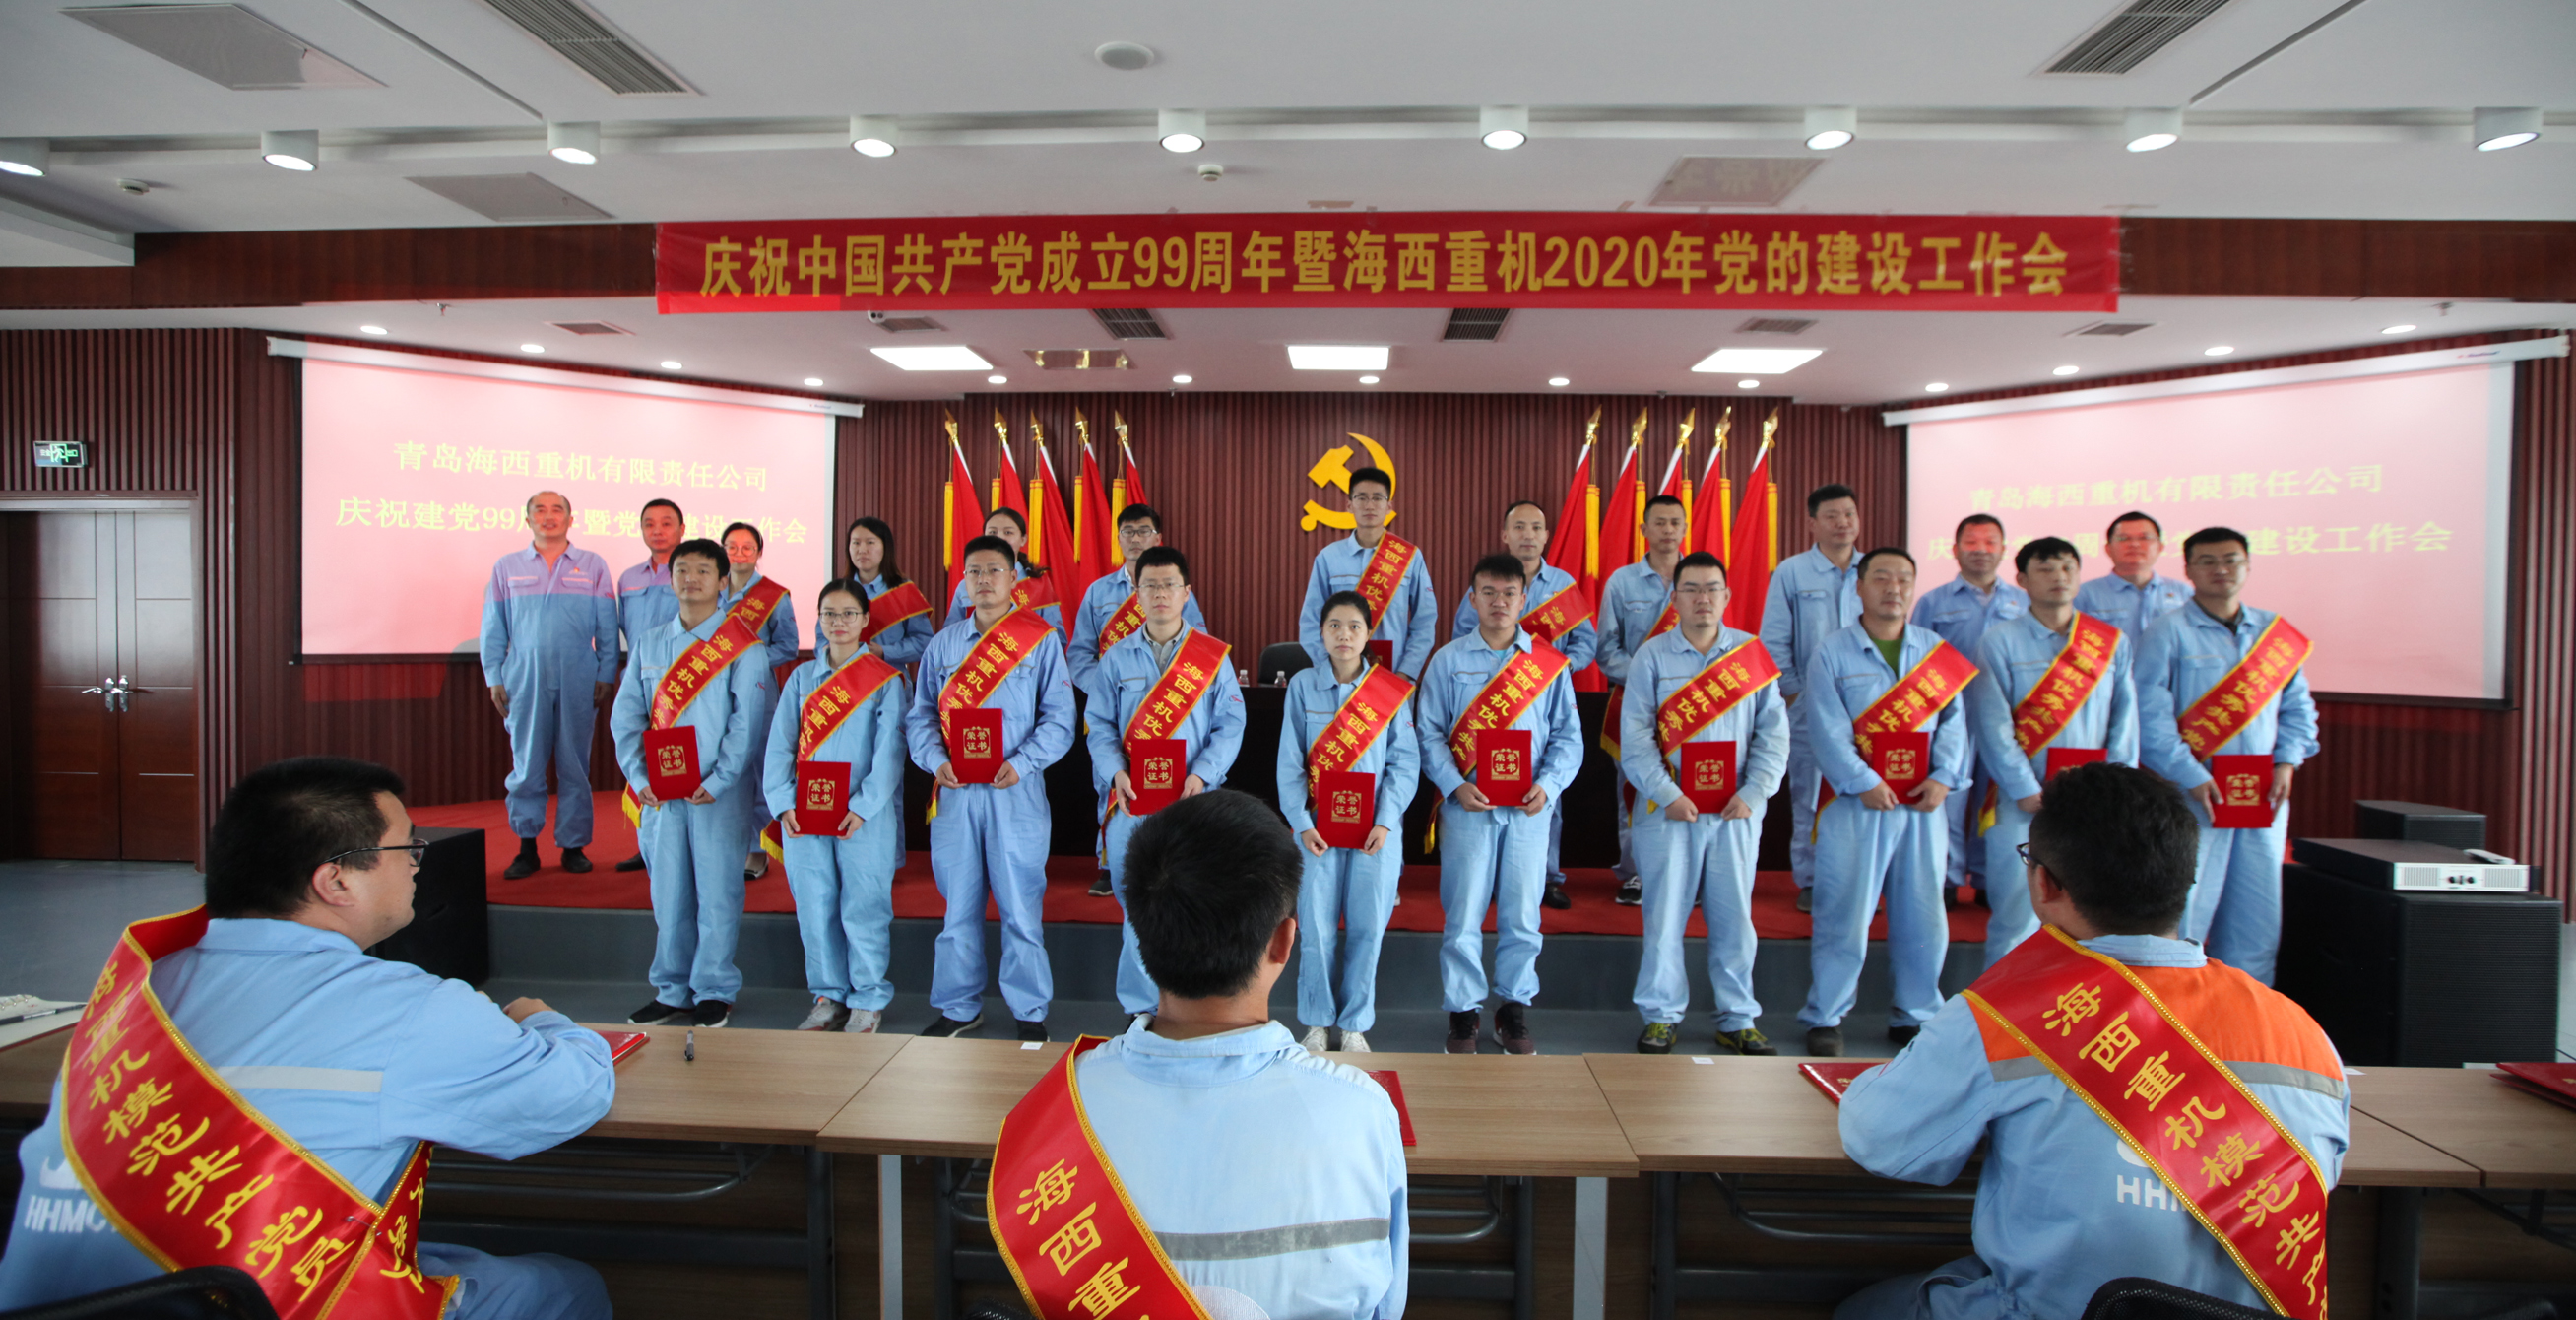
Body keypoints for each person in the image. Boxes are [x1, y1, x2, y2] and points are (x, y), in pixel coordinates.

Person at [0, 757, 615, 1317]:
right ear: (336, 881)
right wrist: (540, 1020)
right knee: (564, 1285)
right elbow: (570, 1095)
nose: (416, 864)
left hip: (66, 1307)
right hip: (254, 1303)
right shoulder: (409, 1009)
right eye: (408, 848)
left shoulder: (133, 994)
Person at [1837, 763, 2349, 1320]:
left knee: (1857, 1306)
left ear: (2046, 884)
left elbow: (1881, 1140)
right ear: (2186, 880)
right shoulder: (2302, 1031)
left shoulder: (2006, 1015)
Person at [1050, 790, 1407, 1319]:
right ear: (1284, 943)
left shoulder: (1061, 1109)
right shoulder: (1363, 1113)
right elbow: (1384, 1306)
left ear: (1141, 938)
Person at [1798, 548, 1974, 1057]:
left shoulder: (1935, 652)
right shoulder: (1832, 652)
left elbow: (1954, 724)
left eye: (1903, 579)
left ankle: (1916, 1013)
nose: (1893, 588)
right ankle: (1826, 1014)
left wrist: (1943, 778)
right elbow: (1826, 728)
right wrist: (1863, 780)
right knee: (1844, 912)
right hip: (1856, 804)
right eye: (1881, 578)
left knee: (1924, 915)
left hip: (1922, 805)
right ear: (1859, 586)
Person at [1619, 552, 1791, 1055]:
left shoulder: (1751, 655)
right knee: (1664, 917)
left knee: (1735, 918)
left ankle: (1738, 1017)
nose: (1702, 598)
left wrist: (1754, 792)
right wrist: (1667, 793)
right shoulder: (1652, 657)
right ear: (1674, 598)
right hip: (1668, 812)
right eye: (1691, 589)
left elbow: (1773, 736)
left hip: (1735, 811)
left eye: (1712, 588)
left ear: (1727, 596)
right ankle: (1660, 1014)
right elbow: (1636, 737)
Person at [906, 535, 1077, 1040]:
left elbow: (1060, 719)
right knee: (958, 907)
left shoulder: (1040, 640)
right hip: (956, 793)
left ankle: (1030, 1010)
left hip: (1015, 792)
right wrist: (936, 761)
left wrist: (1023, 764)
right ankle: (959, 1007)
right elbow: (920, 717)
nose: (983, 580)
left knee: (1020, 905)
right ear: (963, 580)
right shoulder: (943, 645)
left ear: (1013, 579)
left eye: (994, 571)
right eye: (974, 572)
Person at [2135, 527, 2318, 985]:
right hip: (2193, 794)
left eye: (2231, 560)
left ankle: (2245, 1007)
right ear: (2188, 569)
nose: (2221, 570)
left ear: (2248, 565)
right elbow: (2151, 718)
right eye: (2208, 561)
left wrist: (2287, 762)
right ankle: (2177, 1001)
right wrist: (2190, 775)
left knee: (2258, 915)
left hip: (2263, 796)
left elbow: (2298, 710)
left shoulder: (2275, 635)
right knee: (2186, 908)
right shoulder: (2166, 632)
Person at [1417, 554, 1582, 1054]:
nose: (1499, 602)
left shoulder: (1548, 665)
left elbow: (1568, 737)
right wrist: (1454, 785)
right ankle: (1463, 1010)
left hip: (1529, 812)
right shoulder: (1448, 660)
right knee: (1463, 913)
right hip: (1469, 808)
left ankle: (1513, 1008)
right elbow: (1428, 733)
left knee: (1522, 915)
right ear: (1472, 599)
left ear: (1524, 599)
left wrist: (1548, 786)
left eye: (1509, 593)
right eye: (1488, 592)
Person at [1082, 547, 1247, 1023]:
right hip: (1132, 801)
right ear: (1136, 594)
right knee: (1137, 909)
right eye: (1149, 585)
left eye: (1169, 585)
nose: (1159, 593)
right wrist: (1115, 772)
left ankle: (1189, 1005)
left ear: (1186, 593)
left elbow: (1230, 726)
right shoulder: (1116, 659)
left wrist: (1202, 774)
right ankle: (1141, 1010)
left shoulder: (1210, 657)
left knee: (1194, 903)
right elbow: (1099, 725)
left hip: (1193, 802)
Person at [612, 538, 768, 1028]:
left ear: (723, 581)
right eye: (682, 569)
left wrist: (721, 779)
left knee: (717, 892)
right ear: (670, 578)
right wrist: (639, 777)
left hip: (717, 794)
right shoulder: (650, 642)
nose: (691, 578)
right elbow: (627, 718)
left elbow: (748, 725)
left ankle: (714, 989)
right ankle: (672, 989)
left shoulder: (744, 647)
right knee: (669, 892)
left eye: (703, 570)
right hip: (661, 795)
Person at [1965, 537, 2139, 966]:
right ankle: (2004, 1006)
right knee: (2016, 919)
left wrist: (2114, 789)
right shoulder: (1999, 642)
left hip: (2094, 805)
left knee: (2091, 917)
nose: (2058, 577)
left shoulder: (2110, 642)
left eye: (2066, 568)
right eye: (2045, 569)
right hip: (2022, 804)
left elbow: (2124, 723)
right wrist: (2026, 790)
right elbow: (1993, 726)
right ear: (2022, 579)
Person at [1278, 591, 1419, 1054]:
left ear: (1368, 633)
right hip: (1317, 830)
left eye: (1354, 626)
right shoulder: (1302, 686)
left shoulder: (1389, 690)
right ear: (1321, 633)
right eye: (1335, 626)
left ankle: (1355, 1024)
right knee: (1316, 930)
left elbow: (1404, 763)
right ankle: (1317, 1023)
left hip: (1374, 834)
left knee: (1367, 928)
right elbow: (1290, 762)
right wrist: (1301, 822)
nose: (1344, 635)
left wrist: (1386, 820)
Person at [765, 578, 909, 1033]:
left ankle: (868, 997)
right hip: (804, 813)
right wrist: (782, 803)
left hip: (862, 815)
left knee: (864, 904)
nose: (838, 622)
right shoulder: (800, 678)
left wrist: (863, 806)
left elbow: (890, 752)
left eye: (848, 613)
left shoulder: (886, 680)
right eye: (829, 613)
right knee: (815, 904)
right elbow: (780, 745)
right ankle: (828, 995)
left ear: (865, 620)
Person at [1454, 499, 1599, 910]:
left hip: (1541, 701)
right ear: (1505, 534)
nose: (1528, 535)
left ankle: (1547, 877)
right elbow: (1462, 635)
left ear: (1546, 535)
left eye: (1536, 527)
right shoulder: (1485, 584)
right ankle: (1490, 877)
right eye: (1519, 527)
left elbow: (1586, 643)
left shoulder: (1563, 585)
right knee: (1486, 789)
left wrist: (1554, 672)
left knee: (1543, 793)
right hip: (1489, 703)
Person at [479, 490, 618, 880]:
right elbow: (493, 627)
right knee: (526, 764)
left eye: (557, 509)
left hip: (579, 673)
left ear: (570, 520)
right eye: (539, 510)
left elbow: (607, 626)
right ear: (528, 520)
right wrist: (494, 676)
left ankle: (574, 845)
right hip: (523, 675)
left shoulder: (592, 564)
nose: (549, 516)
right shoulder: (507, 566)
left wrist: (607, 672)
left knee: (574, 764)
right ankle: (527, 847)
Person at [1912, 514, 2029, 902]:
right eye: (1972, 542)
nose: (1981, 550)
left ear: (2003, 549)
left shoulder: (2023, 602)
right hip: (1951, 719)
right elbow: (1918, 661)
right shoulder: (1933, 602)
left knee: (1994, 799)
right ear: (1955, 549)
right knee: (1949, 799)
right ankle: (1946, 878)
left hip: (2006, 720)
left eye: (1990, 542)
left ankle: (1985, 878)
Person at [1762, 484, 1866, 913]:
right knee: (1808, 796)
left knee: (1861, 791)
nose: (1843, 523)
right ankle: (1811, 879)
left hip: (1867, 709)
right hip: (1809, 707)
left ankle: (1860, 880)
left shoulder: (1873, 571)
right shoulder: (1792, 572)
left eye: (1849, 514)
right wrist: (1795, 694)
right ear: (1812, 523)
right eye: (1832, 516)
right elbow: (1774, 640)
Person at [1597, 494, 1692, 905]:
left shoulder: (1699, 578)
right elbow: (1606, 650)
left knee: (1687, 785)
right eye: (1660, 522)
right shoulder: (1622, 582)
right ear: (1644, 529)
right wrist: (1648, 680)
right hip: (1635, 705)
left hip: (1690, 707)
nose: (1668, 530)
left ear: (1685, 529)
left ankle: (1686, 871)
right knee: (1634, 788)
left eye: (1675, 522)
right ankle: (1635, 872)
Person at [1298, 466, 1437, 679]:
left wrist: (1407, 672)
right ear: (1349, 505)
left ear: (1389, 506)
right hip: (1339, 676)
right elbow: (1310, 621)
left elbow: (1424, 621)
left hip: (1394, 675)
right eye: (1361, 498)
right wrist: (1329, 668)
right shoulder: (1329, 557)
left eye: (1377, 498)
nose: (1369, 505)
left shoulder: (1409, 557)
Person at [719, 521, 799, 882]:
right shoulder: (710, 589)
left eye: (747, 547)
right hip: (714, 693)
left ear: (759, 552)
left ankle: (757, 846)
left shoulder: (774, 596)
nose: (739, 554)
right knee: (723, 765)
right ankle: (727, 843)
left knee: (758, 768)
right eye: (732, 547)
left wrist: (749, 661)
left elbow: (788, 646)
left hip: (758, 692)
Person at [612, 497, 689, 872]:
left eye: (666, 523)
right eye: (649, 524)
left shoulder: (693, 574)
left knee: (680, 763)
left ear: (682, 529)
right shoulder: (629, 578)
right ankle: (648, 841)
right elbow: (621, 629)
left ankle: (679, 840)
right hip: (640, 681)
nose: (657, 530)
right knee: (640, 759)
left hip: (685, 685)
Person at [1067, 503, 1206, 691]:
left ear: (1157, 539)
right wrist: (1102, 689)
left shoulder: (1176, 590)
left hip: (1165, 697)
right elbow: (1080, 654)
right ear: (1118, 539)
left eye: (1144, 531)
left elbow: (1198, 645)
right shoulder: (1098, 592)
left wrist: (1171, 692)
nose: (1135, 538)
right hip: (1112, 692)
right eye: (1128, 532)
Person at [826, 516, 934, 668]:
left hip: (889, 677)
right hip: (844, 677)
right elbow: (822, 640)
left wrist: (886, 651)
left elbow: (924, 642)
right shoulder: (837, 592)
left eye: (870, 542)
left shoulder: (904, 591)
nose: (862, 550)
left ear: (885, 547)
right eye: (856, 543)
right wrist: (828, 651)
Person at [2073, 511, 2193, 639]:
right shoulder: (2083, 595)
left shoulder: (2183, 593)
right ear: (2108, 549)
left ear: (2160, 547)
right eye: (2123, 538)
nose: (2134, 544)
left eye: (2144, 538)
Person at [940, 508, 1064, 629]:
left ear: (1023, 539)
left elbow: (1055, 634)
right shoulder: (966, 586)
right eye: (992, 532)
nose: (999, 538)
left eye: (1008, 532)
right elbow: (951, 633)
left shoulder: (1038, 584)